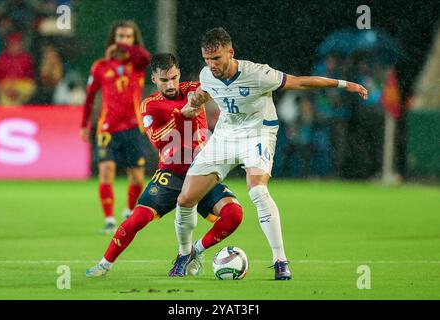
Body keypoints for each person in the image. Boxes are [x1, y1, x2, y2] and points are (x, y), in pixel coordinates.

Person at [172, 27, 368, 280]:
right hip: (224, 137)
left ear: (231, 52)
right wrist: (191, 106)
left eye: (217, 58)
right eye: (207, 59)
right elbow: (202, 92)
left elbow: (301, 82)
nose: (212, 65)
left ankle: (280, 260)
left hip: (258, 135)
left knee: (257, 190)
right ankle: (185, 254)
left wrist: (344, 84)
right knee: (185, 200)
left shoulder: (258, 73)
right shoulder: (207, 74)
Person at [86, 53, 243, 277]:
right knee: (137, 219)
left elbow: (226, 85)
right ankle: (104, 264)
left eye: (173, 78)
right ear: (153, 79)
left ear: (179, 74)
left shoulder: (195, 89)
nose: (170, 85)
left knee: (234, 214)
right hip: (171, 173)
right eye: (163, 80)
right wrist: (181, 116)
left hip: (202, 173)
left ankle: (193, 253)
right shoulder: (150, 105)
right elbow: (157, 139)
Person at [80, 20, 151, 233]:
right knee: (106, 170)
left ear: (134, 40)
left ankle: (130, 211)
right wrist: (84, 124)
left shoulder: (137, 64)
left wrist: (126, 50)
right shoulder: (101, 66)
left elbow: (147, 58)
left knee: (138, 178)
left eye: (129, 37)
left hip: (133, 128)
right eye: (120, 37)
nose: (124, 40)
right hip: (107, 129)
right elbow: (90, 97)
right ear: (114, 38)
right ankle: (109, 219)